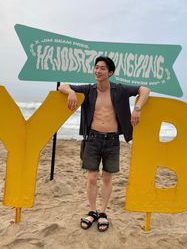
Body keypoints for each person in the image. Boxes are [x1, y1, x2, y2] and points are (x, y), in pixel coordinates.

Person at [58, 56, 150, 232]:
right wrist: (70, 92)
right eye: (96, 67)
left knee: (107, 177)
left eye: (102, 68)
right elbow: (62, 85)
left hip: (112, 140)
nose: (98, 71)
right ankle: (92, 211)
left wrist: (137, 108)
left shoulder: (120, 90)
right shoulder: (89, 89)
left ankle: (103, 213)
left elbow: (145, 89)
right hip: (92, 138)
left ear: (110, 73)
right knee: (92, 177)